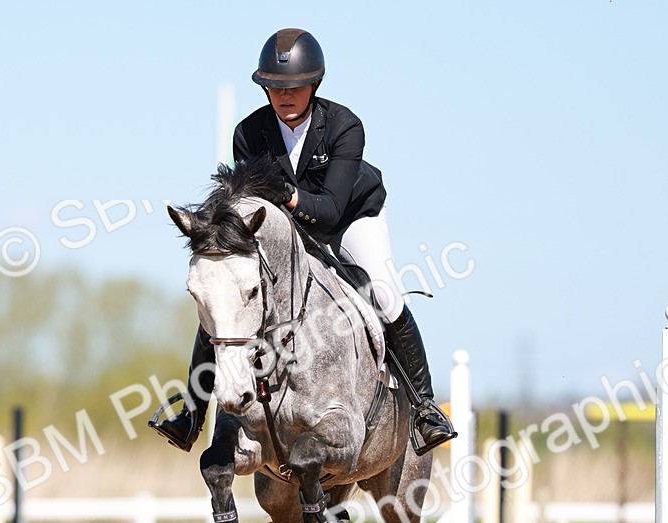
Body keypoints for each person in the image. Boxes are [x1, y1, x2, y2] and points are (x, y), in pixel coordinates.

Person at [151, 28, 456, 456]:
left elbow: (330, 210)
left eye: (294, 86)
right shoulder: (248, 134)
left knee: (385, 293)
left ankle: (425, 408)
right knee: (228, 298)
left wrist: (288, 195)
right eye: (275, 87)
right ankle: (192, 415)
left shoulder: (345, 126)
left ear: (313, 85)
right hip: (284, 228)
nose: (284, 96)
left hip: (351, 216)